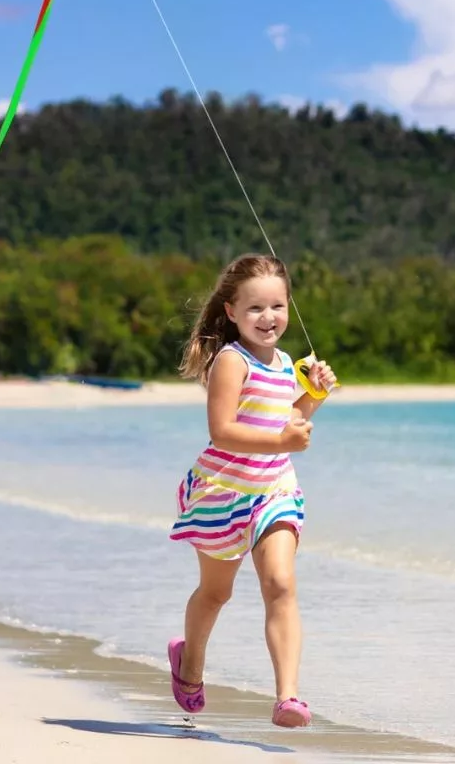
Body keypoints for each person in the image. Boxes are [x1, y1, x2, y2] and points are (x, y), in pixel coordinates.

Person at [167, 253, 337, 729]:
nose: (269, 318)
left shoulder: (286, 363)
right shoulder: (230, 361)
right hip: (223, 491)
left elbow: (288, 422)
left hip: (273, 489)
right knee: (216, 594)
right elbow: (223, 432)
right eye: (256, 308)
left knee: (280, 583)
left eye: (278, 306)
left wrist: (315, 396)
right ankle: (189, 662)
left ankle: (288, 697)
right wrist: (285, 439)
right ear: (231, 313)